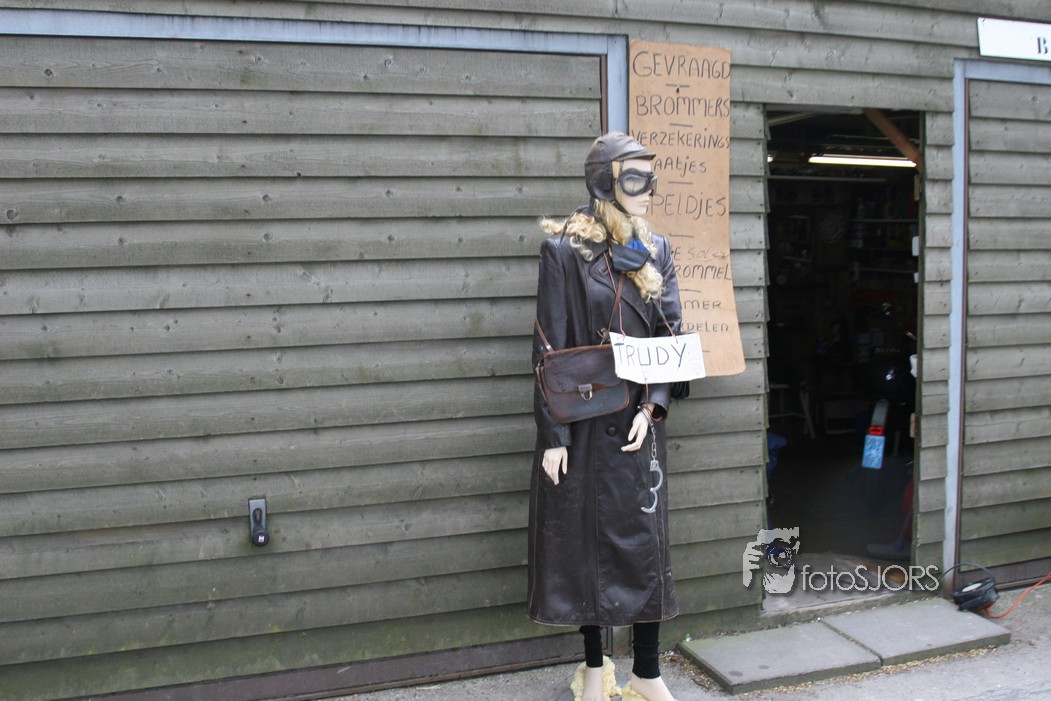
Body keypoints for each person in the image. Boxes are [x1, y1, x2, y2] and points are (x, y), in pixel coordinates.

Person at [528, 132, 683, 701]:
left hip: (637, 426)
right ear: (605, 181)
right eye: (635, 178)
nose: (647, 190)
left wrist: (655, 404)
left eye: (650, 178)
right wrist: (555, 434)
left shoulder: (656, 248)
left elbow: (671, 333)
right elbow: (548, 342)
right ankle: (595, 668)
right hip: (584, 421)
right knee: (583, 546)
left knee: (643, 546)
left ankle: (647, 672)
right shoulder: (565, 250)